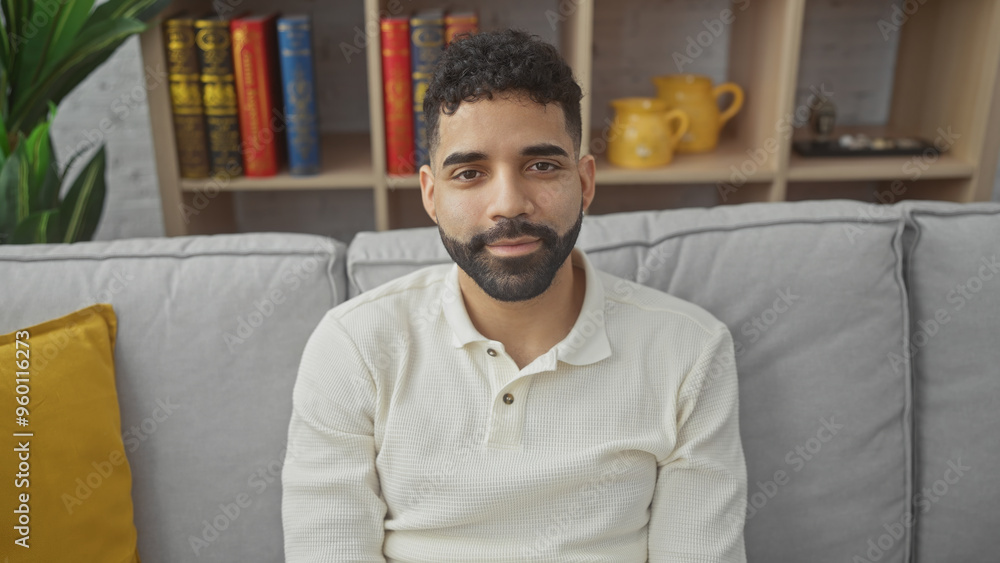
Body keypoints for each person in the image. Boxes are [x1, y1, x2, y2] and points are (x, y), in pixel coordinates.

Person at [282, 28, 747, 562]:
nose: (508, 203)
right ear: (431, 195)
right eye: (470, 173)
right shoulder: (353, 347)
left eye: (542, 165)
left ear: (585, 182)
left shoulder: (691, 351)